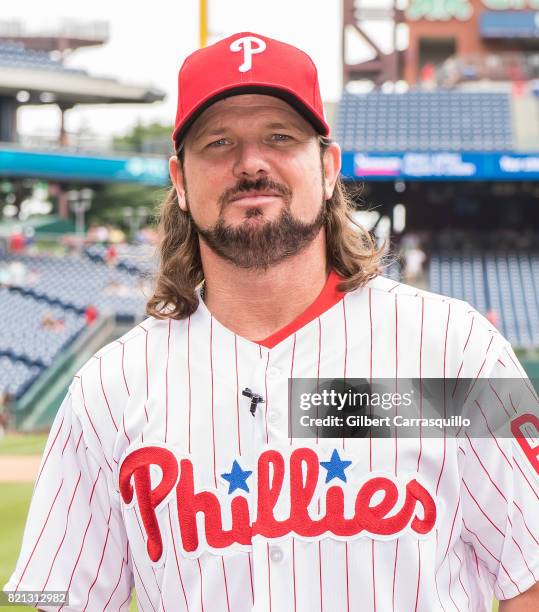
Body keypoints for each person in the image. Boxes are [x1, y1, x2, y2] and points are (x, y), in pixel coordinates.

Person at [4, 32, 539, 612]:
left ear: (328, 167)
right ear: (180, 182)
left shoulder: (456, 350)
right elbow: (53, 593)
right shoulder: (107, 389)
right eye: (218, 142)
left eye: (280, 137)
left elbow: (530, 574)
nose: (250, 163)